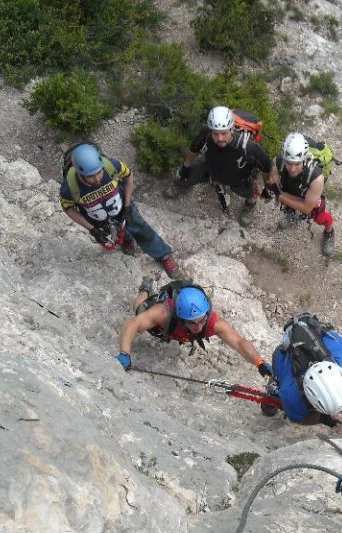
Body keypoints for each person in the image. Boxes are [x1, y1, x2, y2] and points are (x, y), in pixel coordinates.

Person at [60, 144, 179, 278]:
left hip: (123, 207)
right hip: (99, 220)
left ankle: (164, 255)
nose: (97, 179)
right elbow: (68, 208)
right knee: (116, 232)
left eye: (99, 172)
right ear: (79, 173)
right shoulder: (69, 188)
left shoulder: (112, 166)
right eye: (91, 176)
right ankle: (127, 241)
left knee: (142, 230)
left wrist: (127, 205)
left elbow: (128, 176)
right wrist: (92, 229)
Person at [116, 279, 273, 380]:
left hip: (176, 329)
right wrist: (125, 353)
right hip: (160, 326)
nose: (198, 327)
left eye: (202, 321)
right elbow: (133, 324)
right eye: (192, 323)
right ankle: (144, 289)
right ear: (180, 317)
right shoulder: (163, 313)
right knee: (139, 308)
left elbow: (239, 342)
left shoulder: (214, 322)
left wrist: (259, 362)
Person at [269, 314, 342, 429]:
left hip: (326, 338)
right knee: (280, 398)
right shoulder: (291, 394)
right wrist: (323, 418)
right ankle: (271, 390)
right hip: (283, 357)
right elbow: (301, 419)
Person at [174, 106, 272, 227]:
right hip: (211, 167)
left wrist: (267, 187)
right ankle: (187, 182)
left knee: (247, 192)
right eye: (216, 134)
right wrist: (185, 167)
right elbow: (194, 149)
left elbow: (267, 167)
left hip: (238, 176)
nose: (220, 138)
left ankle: (250, 204)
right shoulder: (206, 134)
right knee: (180, 179)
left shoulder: (249, 147)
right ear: (211, 131)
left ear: (232, 129)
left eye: (224, 133)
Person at [266, 132, 336, 256]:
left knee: (320, 217)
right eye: (289, 163)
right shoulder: (280, 160)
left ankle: (329, 232)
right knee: (289, 206)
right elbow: (273, 177)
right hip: (291, 189)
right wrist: (274, 180)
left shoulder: (316, 177)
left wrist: (280, 195)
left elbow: (306, 207)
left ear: (305, 159)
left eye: (297, 164)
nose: (292, 169)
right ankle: (290, 214)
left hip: (307, 194)